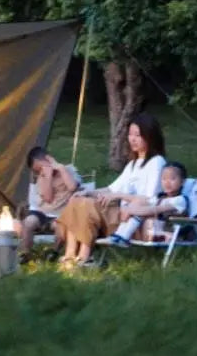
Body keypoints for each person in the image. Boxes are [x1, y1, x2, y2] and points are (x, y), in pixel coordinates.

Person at [57, 112, 167, 267]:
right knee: (78, 200)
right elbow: (111, 189)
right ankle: (69, 255)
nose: (132, 139)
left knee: (85, 205)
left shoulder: (157, 163)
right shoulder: (133, 164)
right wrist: (88, 192)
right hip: (116, 215)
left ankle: (84, 256)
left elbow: (150, 199)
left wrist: (118, 196)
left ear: (150, 136)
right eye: (130, 134)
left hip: (131, 221)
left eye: (138, 135)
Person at [20, 146, 81, 261]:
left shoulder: (69, 170)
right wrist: (47, 176)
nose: (40, 172)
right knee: (28, 222)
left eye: (41, 167)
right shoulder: (42, 177)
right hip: (42, 212)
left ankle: (53, 252)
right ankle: (25, 253)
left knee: (60, 226)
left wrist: (61, 169)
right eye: (37, 171)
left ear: (48, 159)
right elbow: (48, 198)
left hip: (60, 214)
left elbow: (72, 187)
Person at [108, 160, 189, 245]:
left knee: (143, 210)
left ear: (182, 182)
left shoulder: (179, 200)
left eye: (172, 178)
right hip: (153, 228)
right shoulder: (161, 198)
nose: (167, 182)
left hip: (168, 232)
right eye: (164, 178)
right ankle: (121, 234)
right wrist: (124, 202)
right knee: (140, 202)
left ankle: (123, 235)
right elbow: (142, 199)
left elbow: (154, 210)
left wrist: (130, 210)